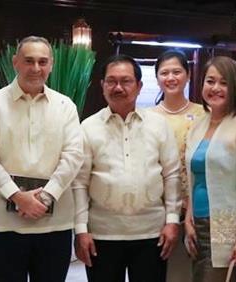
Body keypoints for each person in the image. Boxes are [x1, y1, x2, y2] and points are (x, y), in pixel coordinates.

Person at [0, 36, 85, 282]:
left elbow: (73, 156)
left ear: (51, 65)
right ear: (15, 62)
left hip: (55, 223)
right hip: (4, 223)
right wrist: (17, 196)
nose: (36, 68)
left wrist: (44, 197)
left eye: (42, 62)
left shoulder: (66, 106)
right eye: (29, 61)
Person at [73, 54, 180, 282]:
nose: (118, 87)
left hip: (152, 233)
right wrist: (81, 229)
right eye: (111, 81)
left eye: (126, 81)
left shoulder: (159, 125)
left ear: (139, 86)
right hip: (102, 234)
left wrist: (172, 220)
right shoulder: (88, 127)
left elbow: (172, 175)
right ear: (102, 86)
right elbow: (79, 183)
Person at [183, 56, 236, 282]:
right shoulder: (198, 125)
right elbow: (192, 177)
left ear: (235, 87)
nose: (215, 88)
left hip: (228, 228)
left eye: (224, 83)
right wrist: (188, 218)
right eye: (210, 81)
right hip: (198, 226)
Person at [149, 50, 207, 281]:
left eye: (176, 72)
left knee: (191, 271)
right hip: (157, 209)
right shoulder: (147, 117)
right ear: (157, 78)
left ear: (188, 74)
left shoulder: (204, 115)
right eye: (164, 73)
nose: (170, 78)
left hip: (198, 207)